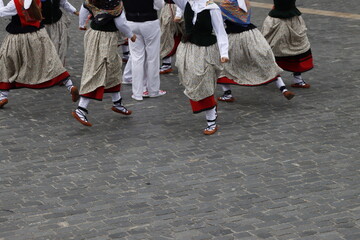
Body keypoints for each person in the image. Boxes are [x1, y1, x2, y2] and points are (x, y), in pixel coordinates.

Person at [0, 0, 79, 109]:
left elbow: (1, 12)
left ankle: (3, 96)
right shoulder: (37, 1)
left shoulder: (15, 3)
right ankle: (70, 86)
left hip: (18, 38)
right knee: (51, 61)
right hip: (39, 35)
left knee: (6, 63)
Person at [214, 0, 295, 102]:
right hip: (252, 35)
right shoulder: (245, 2)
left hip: (234, 38)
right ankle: (283, 89)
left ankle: (227, 94)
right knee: (266, 62)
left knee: (223, 65)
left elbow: (219, 23)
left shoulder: (225, 5)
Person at [72, 0, 136, 127]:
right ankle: (81, 109)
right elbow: (121, 23)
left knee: (112, 68)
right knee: (98, 70)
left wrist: (81, 24)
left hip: (93, 35)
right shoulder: (115, 4)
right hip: (107, 38)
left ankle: (117, 102)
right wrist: (131, 35)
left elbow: (84, 9)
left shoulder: (93, 0)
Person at [172, 0, 229, 135]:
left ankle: (211, 121)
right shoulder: (187, 3)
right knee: (192, 80)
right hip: (188, 48)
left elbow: (220, 31)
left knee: (204, 81)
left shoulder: (212, 8)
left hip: (206, 50)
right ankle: (211, 110)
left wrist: (224, 53)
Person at [262, 0, 314, 88]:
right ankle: (298, 79)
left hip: (279, 19)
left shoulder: (272, 20)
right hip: (291, 19)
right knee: (297, 50)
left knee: (272, 50)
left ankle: (270, 77)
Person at [122, 0, 166, 101]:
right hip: (149, 21)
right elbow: (159, 5)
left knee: (136, 58)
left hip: (131, 21)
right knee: (152, 57)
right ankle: (153, 90)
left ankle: (137, 92)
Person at [41, 0, 79, 66]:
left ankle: (58, 69)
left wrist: (76, 12)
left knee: (59, 47)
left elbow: (63, 3)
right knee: (44, 49)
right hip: (41, 26)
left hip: (57, 23)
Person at [159, 0, 184, 74]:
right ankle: (166, 63)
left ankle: (187, 62)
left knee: (185, 35)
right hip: (169, 8)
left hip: (178, 7)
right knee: (166, 35)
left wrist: (179, 14)